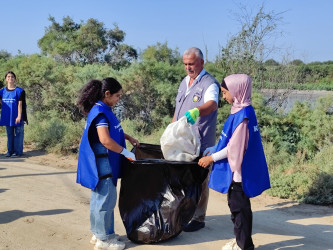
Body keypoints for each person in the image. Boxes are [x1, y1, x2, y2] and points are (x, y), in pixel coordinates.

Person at [198, 74, 270, 250]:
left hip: (238, 174)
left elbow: (234, 149)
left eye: (225, 92)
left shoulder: (242, 117)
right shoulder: (243, 109)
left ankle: (243, 246)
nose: (223, 96)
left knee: (239, 212)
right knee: (239, 210)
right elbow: (231, 141)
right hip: (238, 172)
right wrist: (215, 148)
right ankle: (242, 242)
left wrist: (211, 158)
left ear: (237, 91)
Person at [76, 77, 140, 250]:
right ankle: (104, 239)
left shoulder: (102, 108)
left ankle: (99, 233)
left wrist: (128, 137)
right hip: (103, 164)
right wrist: (125, 152)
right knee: (106, 200)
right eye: (117, 96)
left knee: (99, 199)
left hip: (103, 162)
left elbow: (114, 131)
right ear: (107, 94)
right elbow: (105, 140)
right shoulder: (101, 113)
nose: (119, 99)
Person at [172, 47, 220, 232]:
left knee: (200, 181)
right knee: (183, 179)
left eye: (191, 64)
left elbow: (212, 104)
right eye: (185, 64)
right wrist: (172, 127)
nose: (188, 68)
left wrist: (197, 110)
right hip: (182, 141)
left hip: (201, 141)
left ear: (201, 62)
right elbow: (177, 108)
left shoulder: (209, 84)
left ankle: (199, 218)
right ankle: (184, 213)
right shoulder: (185, 82)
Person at [0, 71, 28, 157]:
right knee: (9, 135)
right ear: (5, 79)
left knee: (19, 134)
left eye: (12, 77)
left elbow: (20, 104)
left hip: (17, 117)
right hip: (7, 117)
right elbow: (1, 103)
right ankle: (10, 151)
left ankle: (18, 152)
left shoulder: (20, 91)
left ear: (15, 79)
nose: (10, 78)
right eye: (8, 77)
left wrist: (19, 116)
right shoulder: (1, 92)